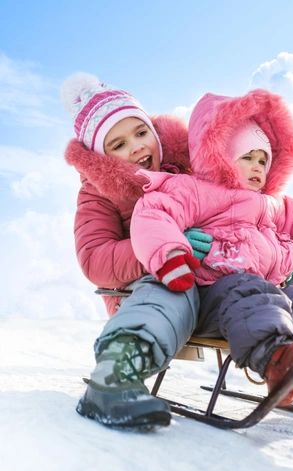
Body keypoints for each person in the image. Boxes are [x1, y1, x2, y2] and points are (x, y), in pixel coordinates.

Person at [130, 90, 293, 409]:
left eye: (263, 160)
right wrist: (170, 255)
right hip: (215, 294)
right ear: (221, 156)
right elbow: (153, 213)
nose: (257, 167)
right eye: (247, 158)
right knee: (252, 292)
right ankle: (278, 361)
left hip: (270, 292)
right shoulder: (196, 190)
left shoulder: (272, 203)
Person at [61, 73, 204, 429]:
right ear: (102, 156)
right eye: (119, 144)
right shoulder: (98, 193)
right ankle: (114, 376)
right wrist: (163, 246)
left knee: (272, 288)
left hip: (212, 276)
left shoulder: (185, 172)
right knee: (170, 288)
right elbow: (94, 258)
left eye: (141, 133)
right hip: (143, 290)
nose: (137, 147)